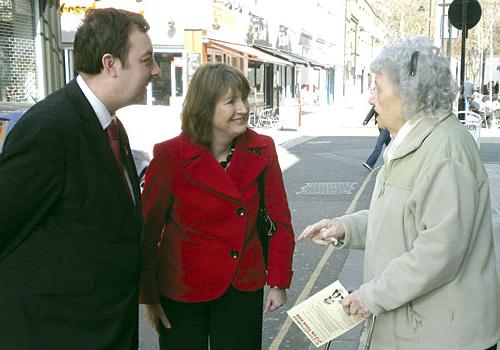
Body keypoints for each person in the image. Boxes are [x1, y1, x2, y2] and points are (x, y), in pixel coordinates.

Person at [299, 37, 500, 349]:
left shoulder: (444, 151)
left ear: (410, 95)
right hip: (418, 329)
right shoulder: (416, 141)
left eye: (378, 88)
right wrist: (344, 228)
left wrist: (370, 297)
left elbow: (438, 253)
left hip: (441, 337)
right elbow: (400, 218)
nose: (371, 99)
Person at [0, 8, 160, 350]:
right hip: (61, 332)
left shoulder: (113, 128)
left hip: (105, 326)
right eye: (147, 60)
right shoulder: (50, 127)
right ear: (110, 63)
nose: (156, 70)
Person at [140, 63, 295, 350]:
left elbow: (279, 219)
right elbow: (148, 231)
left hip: (241, 286)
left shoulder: (262, 148)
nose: (244, 108)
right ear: (205, 107)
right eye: (231, 101)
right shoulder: (170, 155)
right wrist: (149, 295)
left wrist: (278, 280)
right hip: (182, 289)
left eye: (245, 99)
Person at [361, 107, 391, 171]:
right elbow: (373, 109)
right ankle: (397, 159)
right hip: (380, 125)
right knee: (390, 145)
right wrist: (366, 120)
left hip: (386, 126)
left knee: (379, 146)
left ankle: (369, 163)